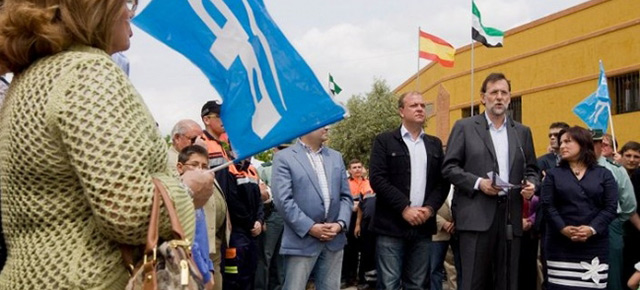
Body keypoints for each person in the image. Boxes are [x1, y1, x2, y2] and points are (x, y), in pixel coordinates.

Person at [0, 0, 214, 288]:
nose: (131, 14)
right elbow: (127, 208)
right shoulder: (87, 72)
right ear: (94, 7)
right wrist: (187, 190)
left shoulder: (29, 79)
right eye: (126, 3)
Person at [442, 73, 539, 290]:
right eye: (494, 92)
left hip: (510, 216)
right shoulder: (465, 127)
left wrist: (532, 185)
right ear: (482, 97)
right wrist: (478, 183)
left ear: (510, 97)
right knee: (474, 281)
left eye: (504, 93)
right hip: (475, 215)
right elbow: (449, 168)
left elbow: (532, 168)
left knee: (507, 280)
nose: (499, 97)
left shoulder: (521, 132)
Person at [369, 91, 449, 289]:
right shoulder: (384, 141)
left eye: (422, 105)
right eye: (414, 105)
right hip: (391, 226)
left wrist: (430, 209)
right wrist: (404, 208)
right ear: (401, 111)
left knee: (418, 284)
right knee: (389, 284)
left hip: (422, 226)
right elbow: (377, 179)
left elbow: (442, 182)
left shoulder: (434, 144)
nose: (420, 109)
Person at [271, 127, 353, 290]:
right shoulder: (284, 157)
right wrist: (310, 227)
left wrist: (340, 224)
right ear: (306, 126)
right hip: (300, 240)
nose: (328, 127)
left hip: (333, 240)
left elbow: (346, 197)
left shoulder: (336, 157)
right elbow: (283, 200)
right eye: (322, 123)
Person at [541, 126, 618, 290]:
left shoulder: (604, 174)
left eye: (568, 141)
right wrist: (563, 228)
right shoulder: (553, 174)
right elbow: (547, 205)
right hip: (560, 245)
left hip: (594, 244)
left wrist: (591, 229)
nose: (562, 146)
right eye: (561, 142)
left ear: (583, 143)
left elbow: (610, 208)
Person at [591, 130, 638, 290]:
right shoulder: (571, 168)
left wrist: (614, 220)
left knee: (612, 276)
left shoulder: (616, 169)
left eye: (598, 143)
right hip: (580, 226)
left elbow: (629, 205)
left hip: (610, 226)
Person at [177, 146, 217, 290]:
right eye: (194, 165)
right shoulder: (180, 198)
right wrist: (205, 274)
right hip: (189, 272)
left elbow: (203, 239)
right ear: (180, 167)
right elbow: (190, 242)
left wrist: (209, 268)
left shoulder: (199, 199)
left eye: (204, 166)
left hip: (204, 268)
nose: (200, 170)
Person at [254, 145, 288, 290]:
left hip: (289, 217)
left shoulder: (294, 167)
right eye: (281, 148)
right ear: (274, 149)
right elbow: (259, 196)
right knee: (265, 256)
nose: (283, 151)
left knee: (282, 257)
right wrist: (262, 219)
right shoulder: (264, 169)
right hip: (272, 215)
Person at [346, 159, 375, 289]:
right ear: (350, 170)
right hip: (349, 218)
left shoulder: (368, 183)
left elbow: (368, 200)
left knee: (365, 250)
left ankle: (362, 278)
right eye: (354, 167)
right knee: (350, 250)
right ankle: (349, 278)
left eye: (359, 167)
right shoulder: (346, 184)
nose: (357, 169)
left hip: (363, 220)